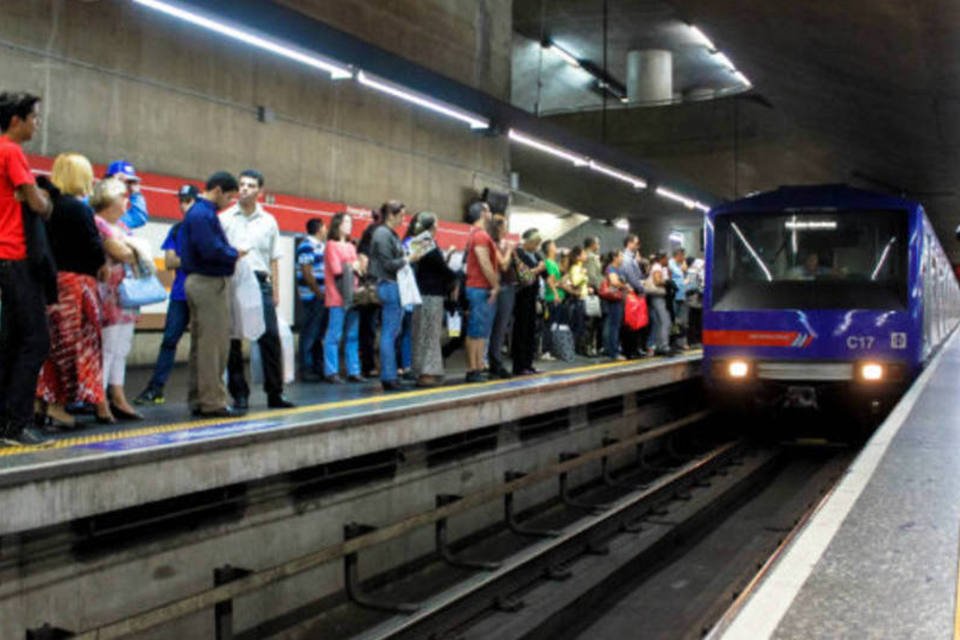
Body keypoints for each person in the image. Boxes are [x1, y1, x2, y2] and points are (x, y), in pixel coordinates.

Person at [35, 153, 108, 428]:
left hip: (51, 283)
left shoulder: (47, 207)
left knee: (52, 345)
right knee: (75, 345)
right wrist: (102, 264)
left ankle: (41, 401)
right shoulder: (78, 209)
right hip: (77, 284)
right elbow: (92, 246)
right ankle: (59, 405)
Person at [0, 92, 53, 446]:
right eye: (33, 117)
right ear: (16, 120)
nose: (37, 123)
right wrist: (39, 197)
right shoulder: (11, 151)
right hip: (15, 256)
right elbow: (39, 203)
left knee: (12, 340)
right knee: (35, 339)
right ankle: (15, 424)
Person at [221, 169, 294, 410]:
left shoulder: (269, 221)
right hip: (233, 280)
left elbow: (274, 257)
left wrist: (275, 290)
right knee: (233, 339)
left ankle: (275, 393)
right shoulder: (225, 218)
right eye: (241, 184)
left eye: (250, 186)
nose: (244, 189)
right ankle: (239, 394)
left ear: (259, 191)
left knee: (270, 337)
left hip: (261, 282)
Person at [181, 171, 242, 418]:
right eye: (229, 197)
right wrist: (234, 254)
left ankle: (199, 397)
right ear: (217, 190)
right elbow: (210, 249)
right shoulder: (203, 214)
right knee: (213, 346)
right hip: (209, 282)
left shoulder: (198, 213)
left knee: (201, 344)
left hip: (198, 282)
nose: (229, 203)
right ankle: (213, 401)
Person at [135, 185, 199, 405]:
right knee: (169, 341)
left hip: (203, 295)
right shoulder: (176, 230)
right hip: (180, 295)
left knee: (206, 345)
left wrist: (188, 259)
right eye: (181, 200)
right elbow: (170, 261)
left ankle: (204, 391)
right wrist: (197, 259)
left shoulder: (209, 228)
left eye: (188, 200)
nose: (184, 204)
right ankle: (156, 388)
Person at [92, 178, 143, 421]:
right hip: (107, 291)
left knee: (122, 346)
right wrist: (133, 250)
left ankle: (118, 394)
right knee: (108, 347)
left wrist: (132, 251)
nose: (127, 201)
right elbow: (124, 252)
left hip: (126, 291)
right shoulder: (98, 223)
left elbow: (134, 254)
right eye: (122, 196)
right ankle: (100, 398)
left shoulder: (122, 225)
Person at [370, 200, 417, 391]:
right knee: (390, 333)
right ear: (391, 214)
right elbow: (388, 264)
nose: (403, 219)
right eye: (401, 215)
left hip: (392, 285)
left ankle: (389, 374)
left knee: (392, 332)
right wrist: (408, 259)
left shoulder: (388, 234)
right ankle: (388, 376)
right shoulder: (382, 234)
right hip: (389, 285)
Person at [409, 212, 456, 387]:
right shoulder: (425, 241)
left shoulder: (419, 241)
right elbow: (441, 268)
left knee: (424, 333)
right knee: (429, 334)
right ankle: (426, 373)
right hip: (430, 295)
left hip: (424, 293)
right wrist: (457, 276)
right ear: (433, 225)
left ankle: (425, 371)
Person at [322, 212, 365, 384]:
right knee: (334, 335)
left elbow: (359, 270)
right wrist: (354, 265)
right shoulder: (331, 245)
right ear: (338, 224)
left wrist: (357, 266)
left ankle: (354, 370)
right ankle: (331, 371)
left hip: (353, 296)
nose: (349, 225)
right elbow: (337, 270)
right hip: (336, 296)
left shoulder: (351, 246)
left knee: (353, 335)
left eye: (350, 222)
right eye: (346, 221)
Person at [463, 200, 499, 383]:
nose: (491, 214)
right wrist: (495, 285)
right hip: (479, 287)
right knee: (476, 330)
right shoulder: (480, 236)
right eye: (489, 211)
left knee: (480, 330)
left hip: (479, 287)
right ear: (483, 213)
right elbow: (484, 262)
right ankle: (472, 368)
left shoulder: (479, 235)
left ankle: (477, 366)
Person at [511, 228, 546, 375]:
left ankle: (529, 363)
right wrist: (537, 269)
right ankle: (519, 365)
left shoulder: (536, 255)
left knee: (532, 330)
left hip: (533, 296)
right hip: (521, 296)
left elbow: (545, 273)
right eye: (535, 243)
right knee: (521, 330)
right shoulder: (518, 253)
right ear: (529, 242)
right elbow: (523, 276)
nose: (536, 247)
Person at [296, 217, 327, 382]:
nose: (326, 230)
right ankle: (306, 368)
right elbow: (307, 273)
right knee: (309, 333)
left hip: (320, 296)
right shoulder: (306, 246)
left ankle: (317, 366)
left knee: (317, 333)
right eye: (325, 227)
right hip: (312, 296)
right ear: (319, 228)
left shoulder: (321, 246)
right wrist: (319, 292)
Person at [487, 214, 516, 379]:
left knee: (501, 327)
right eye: (505, 226)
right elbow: (503, 265)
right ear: (498, 228)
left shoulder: (500, 244)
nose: (506, 229)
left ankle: (494, 361)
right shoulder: (493, 244)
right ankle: (494, 362)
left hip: (506, 287)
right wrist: (510, 250)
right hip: (500, 288)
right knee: (496, 327)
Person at [357, 207, 383, 378]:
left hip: (371, 286)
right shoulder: (376, 232)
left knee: (368, 328)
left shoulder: (370, 232)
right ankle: (368, 364)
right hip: (372, 288)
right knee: (369, 328)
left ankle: (368, 363)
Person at [619, 234, 645, 358]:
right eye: (636, 243)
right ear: (629, 243)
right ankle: (629, 350)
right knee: (630, 322)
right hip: (630, 292)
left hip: (634, 292)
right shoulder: (626, 259)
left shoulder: (632, 258)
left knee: (635, 321)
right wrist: (641, 288)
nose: (637, 245)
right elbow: (632, 277)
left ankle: (634, 348)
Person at [104, 160, 149, 230]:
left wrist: (136, 194)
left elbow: (139, 218)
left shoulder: (119, 218)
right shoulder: (92, 202)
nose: (126, 187)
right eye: (124, 182)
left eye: (129, 183)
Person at [601, 251, 628, 360]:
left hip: (618, 299)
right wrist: (624, 286)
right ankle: (613, 352)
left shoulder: (618, 269)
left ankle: (611, 349)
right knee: (614, 326)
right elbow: (614, 282)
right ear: (614, 257)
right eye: (620, 256)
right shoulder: (611, 268)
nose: (622, 258)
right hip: (614, 299)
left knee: (614, 325)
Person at [646, 251, 672, 356]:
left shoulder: (659, 267)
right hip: (658, 297)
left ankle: (657, 345)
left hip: (656, 298)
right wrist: (667, 283)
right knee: (665, 321)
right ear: (662, 258)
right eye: (666, 258)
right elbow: (657, 281)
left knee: (657, 322)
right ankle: (663, 346)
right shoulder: (657, 267)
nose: (667, 261)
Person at [583, 236, 603, 355]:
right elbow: (592, 276)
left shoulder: (587, 255)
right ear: (592, 244)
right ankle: (588, 347)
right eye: (598, 243)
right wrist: (600, 288)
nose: (599, 246)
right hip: (592, 291)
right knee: (591, 321)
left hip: (588, 290)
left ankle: (588, 346)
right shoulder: (590, 257)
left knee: (589, 321)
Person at [668, 247, 689, 350]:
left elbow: (684, 272)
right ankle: (673, 341)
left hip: (682, 295)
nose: (684, 257)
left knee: (683, 321)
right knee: (674, 321)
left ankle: (681, 342)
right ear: (678, 255)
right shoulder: (671, 264)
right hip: (674, 296)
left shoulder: (680, 265)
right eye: (683, 255)